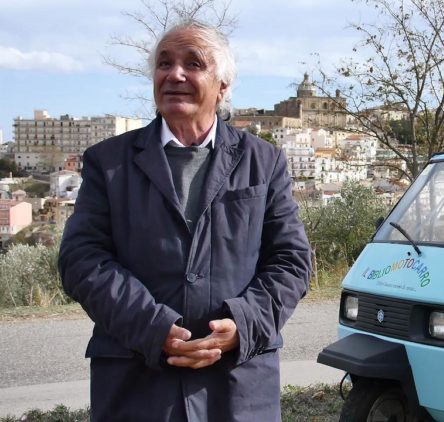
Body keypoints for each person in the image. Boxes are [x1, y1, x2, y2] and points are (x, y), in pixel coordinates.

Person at [58, 20, 311, 421]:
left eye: (193, 64)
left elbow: (291, 261)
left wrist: (242, 325)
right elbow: (81, 259)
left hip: (237, 388)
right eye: (164, 64)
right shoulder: (108, 162)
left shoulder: (263, 161)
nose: (174, 74)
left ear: (222, 86)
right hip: (137, 384)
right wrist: (152, 327)